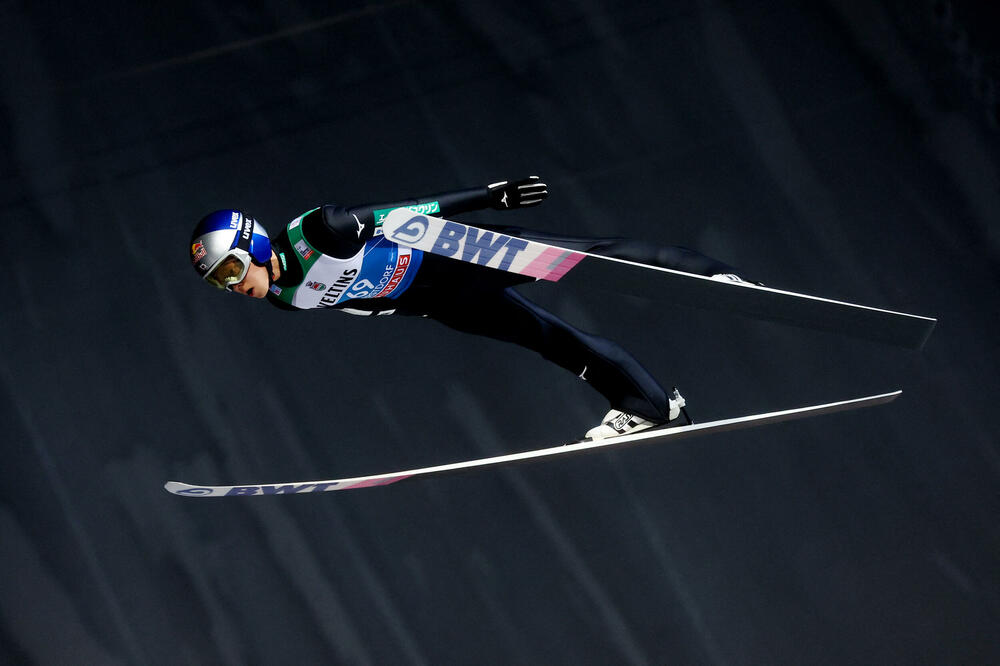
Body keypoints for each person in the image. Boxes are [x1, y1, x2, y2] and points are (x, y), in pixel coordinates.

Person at [189, 176, 747, 439]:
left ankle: (712, 276)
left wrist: (490, 196)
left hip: (455, 258)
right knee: (546, 338)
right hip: (441, 302)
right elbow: (364, 298)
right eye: (221, 283)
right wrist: (414, 309)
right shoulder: (284, 300)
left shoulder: (320, 231)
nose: (234, 286)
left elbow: (407, 211)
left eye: (232, 270)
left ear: (252, 243)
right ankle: (648, 405)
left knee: (584, 257)